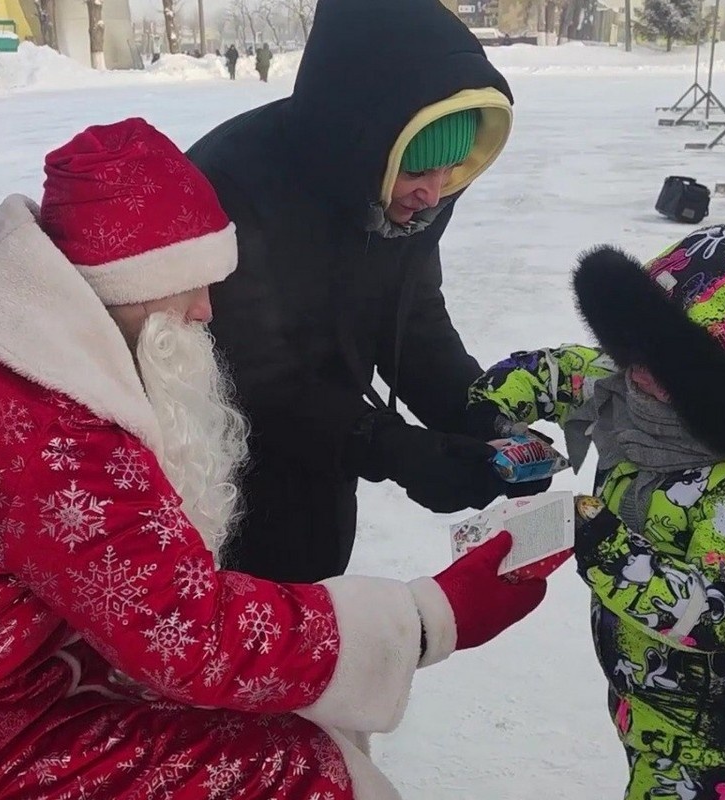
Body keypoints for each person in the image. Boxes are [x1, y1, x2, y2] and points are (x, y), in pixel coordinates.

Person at [0, 118, 552, 800]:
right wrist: (430, 617)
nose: (206, 313)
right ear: (127, 280)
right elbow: (190, 634)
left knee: (271, 697)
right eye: (188, 287)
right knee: (303, 768)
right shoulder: (49, 428)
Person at [188, 0, 544, 585]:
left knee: (315, 571)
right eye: (414, 170)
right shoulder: (232, 186)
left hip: (323, 449)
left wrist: (478, 415)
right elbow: (254, 375)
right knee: (236, 617)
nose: (432, 193)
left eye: (449, 170)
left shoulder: (407, 198)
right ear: (360, 143)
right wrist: (391, 447)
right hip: (211, 462)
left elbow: (413, 317)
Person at [470, 225, 725, 799]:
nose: (637, 371)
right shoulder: (636, 391)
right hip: (649, 696)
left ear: (720, 386)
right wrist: (493, 415)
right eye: (635, 345)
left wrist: (600, 542)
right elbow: (557, 372)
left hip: (721, 732)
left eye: (668, 364)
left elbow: (723, 615)